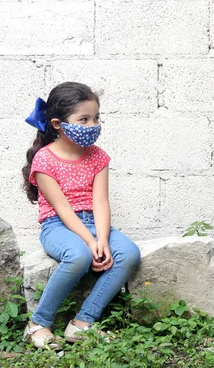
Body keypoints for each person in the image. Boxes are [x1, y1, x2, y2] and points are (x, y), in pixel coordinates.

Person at [21, 82, 141, 349]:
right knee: (79, 256)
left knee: (129, 253)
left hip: (94, 222)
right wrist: (90, 242)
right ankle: (38, 323)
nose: (92, 125)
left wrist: (104, 241)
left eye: (96, 118)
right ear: (58, 124)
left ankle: (82, 323)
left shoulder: (98, 156)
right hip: (58, 225)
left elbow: (100, 202)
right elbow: (62, 209)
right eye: (83, 119)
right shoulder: (44, 160)